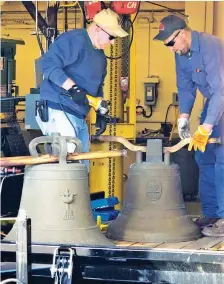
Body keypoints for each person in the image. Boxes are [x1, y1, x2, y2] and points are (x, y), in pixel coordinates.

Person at [154, 15, 224, 236]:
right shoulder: (181, 53)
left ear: (182, 34)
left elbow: (220, 92)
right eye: (166, 45)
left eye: (171, 43)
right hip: (214, 104)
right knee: (204, 157)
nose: (170, 48)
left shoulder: (211, 46)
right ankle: (211, 213)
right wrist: (183, 116)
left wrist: (206, 127)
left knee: (222, 160)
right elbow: (185, 87)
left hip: (220, 100)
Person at [36, 8, 128, 170]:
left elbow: (98, 88)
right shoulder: (74, 40)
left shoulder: (100, 58)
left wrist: (100, 111)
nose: (112, 42)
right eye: (111, 36)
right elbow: (46, 65)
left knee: (82, 166)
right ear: (98, 28)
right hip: (58, 107)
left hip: (78, 115)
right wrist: (72, 88)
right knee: (69, 164)